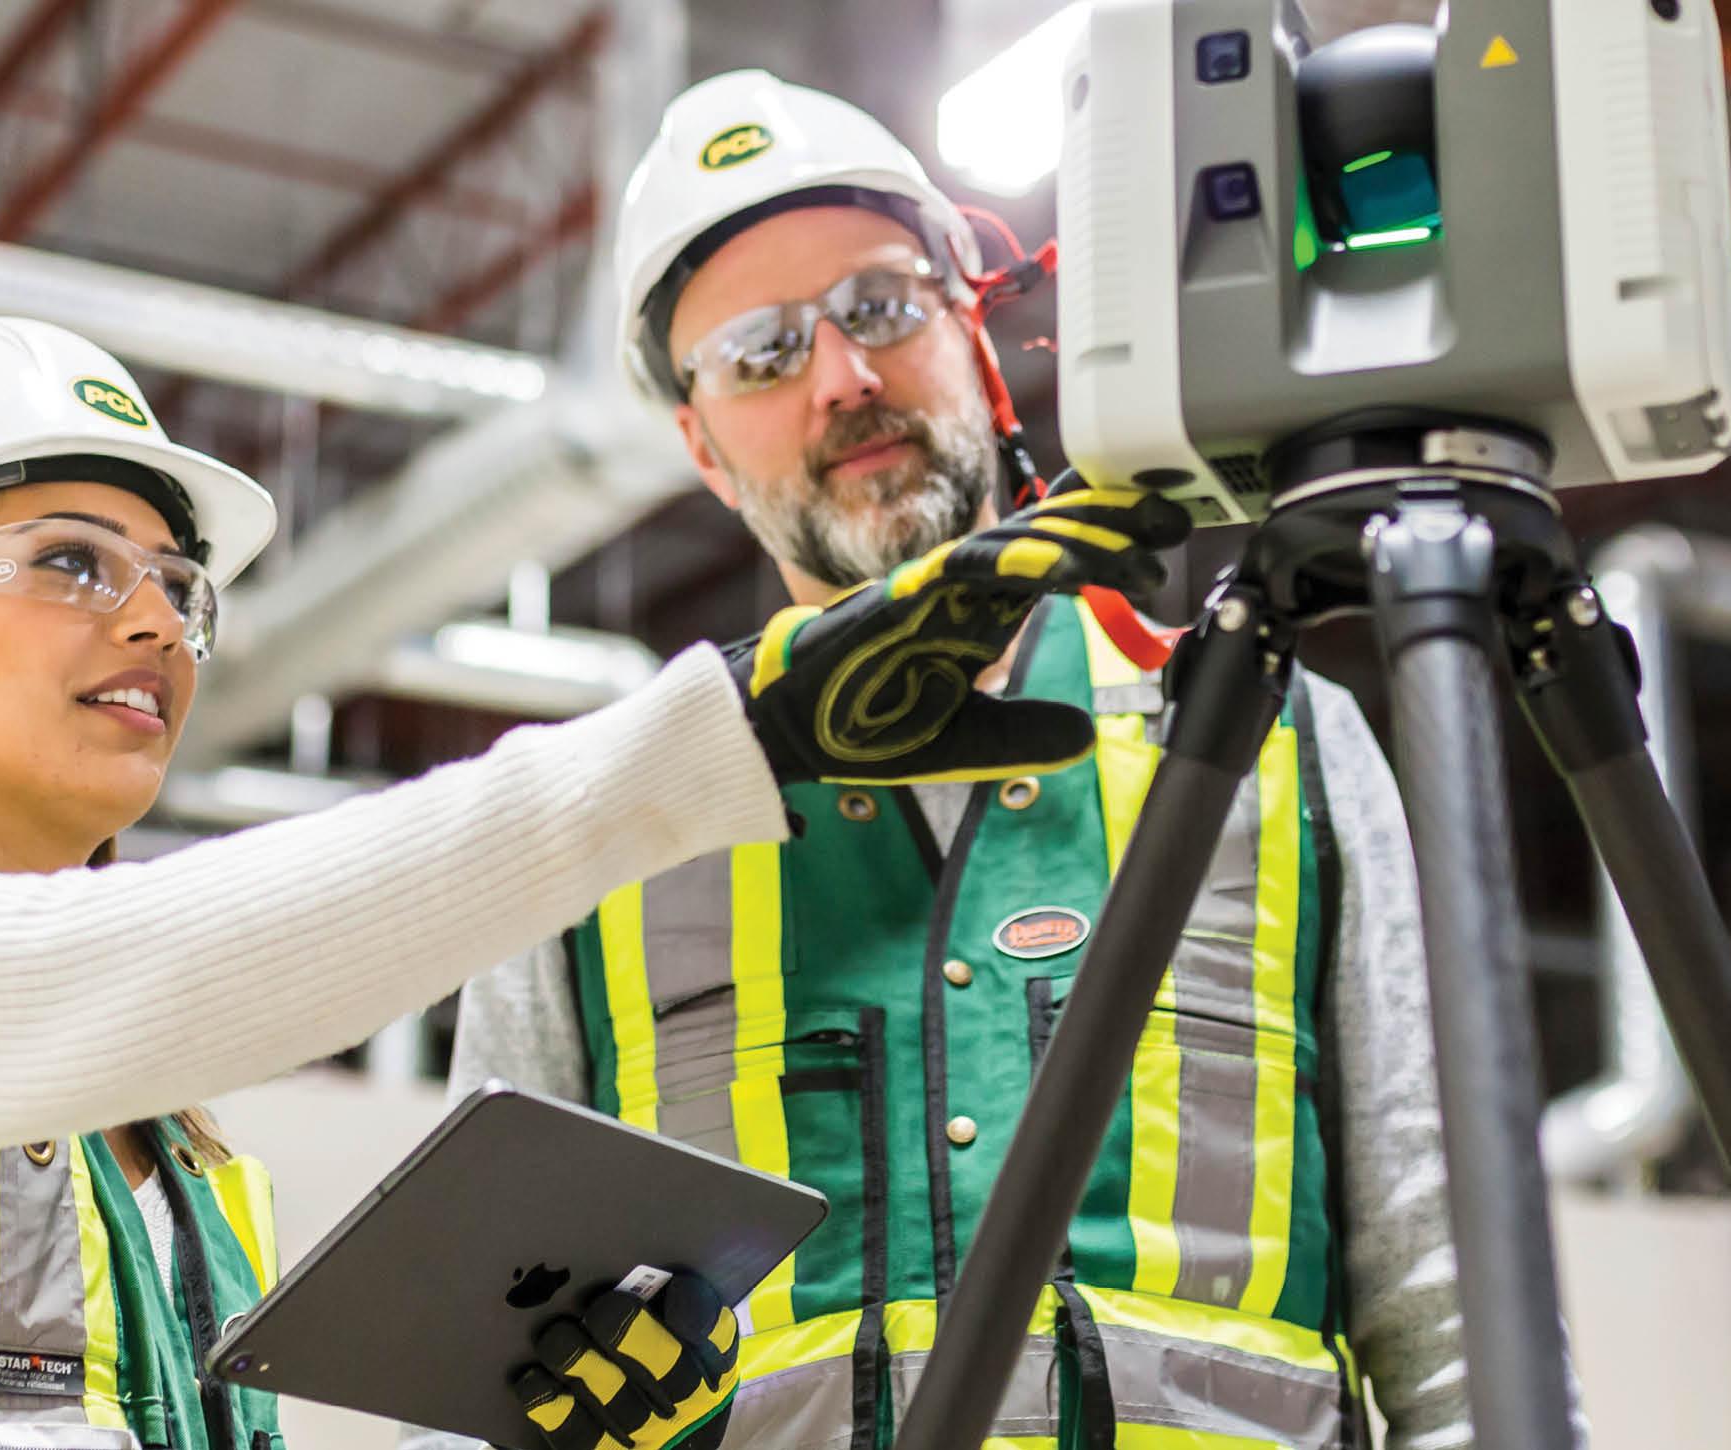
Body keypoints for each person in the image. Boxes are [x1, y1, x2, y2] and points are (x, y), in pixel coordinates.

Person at [0, 316, 1184, 1449]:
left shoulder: (189, 1170)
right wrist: (717, 734)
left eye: (173, 584)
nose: (156, 621)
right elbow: (119, 966)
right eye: (71, 561)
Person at [421, 73, 1474, 1450]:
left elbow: (1454, 1310)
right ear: (701, 446)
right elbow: (464, 1392)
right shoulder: (596, 816)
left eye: (880, 305)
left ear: (973, 325)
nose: (844, 380)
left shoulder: (1272, 737)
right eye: (759, 352)